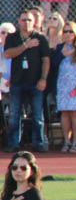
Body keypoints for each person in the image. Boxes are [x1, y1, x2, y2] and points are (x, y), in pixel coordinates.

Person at [4, 10, 51, 153]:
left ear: (34, 22)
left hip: (35, 82)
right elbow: (7, 54)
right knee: (14, 115)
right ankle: (14, 143)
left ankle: (38, 142)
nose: (27, 23)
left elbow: (46, 60)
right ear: (19, 22)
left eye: (30, 20)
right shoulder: (12, 38)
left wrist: (43, 78)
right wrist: (26, 45)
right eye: (24, 20)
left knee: (37, 115)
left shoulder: (40, 38)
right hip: (17, 82)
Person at [51, 21, 76, 153]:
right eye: (65, 31)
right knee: (65, 113)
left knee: (75, 113)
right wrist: (62, 55)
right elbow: (53, 64)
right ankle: (66, 140)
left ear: (75, 33)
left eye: (70, 31)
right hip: (62, 84)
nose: (68, 34)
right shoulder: (59, 47)